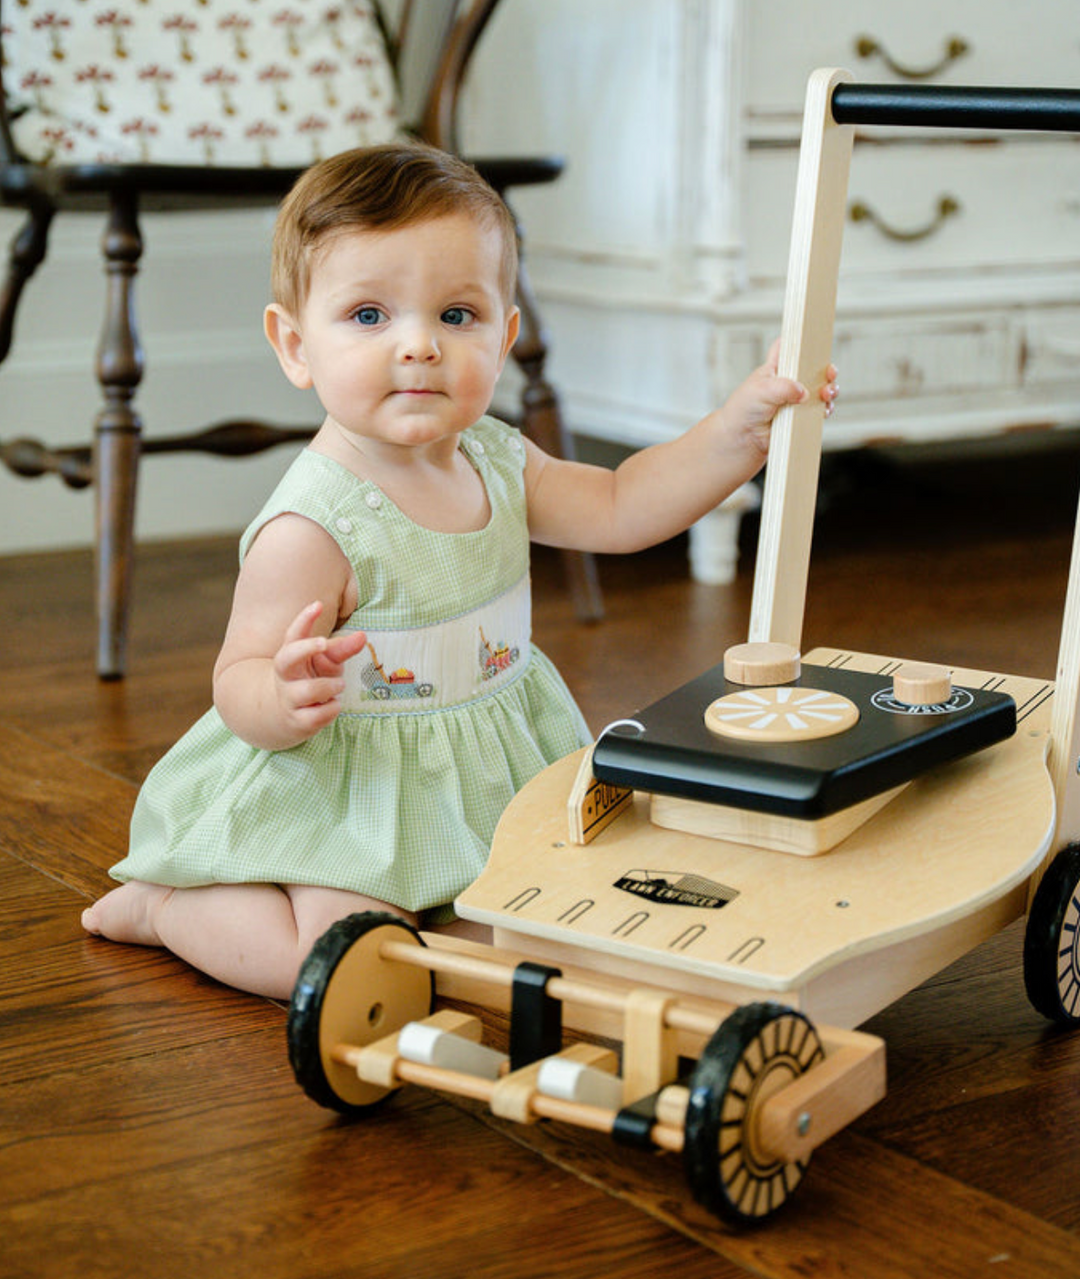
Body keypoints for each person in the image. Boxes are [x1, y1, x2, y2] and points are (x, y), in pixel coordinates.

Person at [81, 142, 837, 999]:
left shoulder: (498, 459)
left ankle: (449, 901)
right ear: (295, 345)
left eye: (456, 315)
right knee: (335, 958)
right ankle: (167, 908)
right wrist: (280, 697)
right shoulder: (312, 525)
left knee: (537, 924)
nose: (419, 346)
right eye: (369, 316)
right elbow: (238, 676)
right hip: (348, 795)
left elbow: (626, 504)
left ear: (505, 334)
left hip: (486, 771)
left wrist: (737, 433)